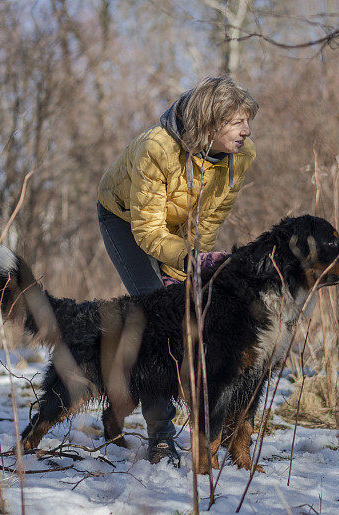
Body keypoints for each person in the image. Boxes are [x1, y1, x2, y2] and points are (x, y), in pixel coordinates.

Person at [96, 75, 258, 466]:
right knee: (154, 322)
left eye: (247, 122)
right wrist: (183, 260)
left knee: (184, 311)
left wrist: (190, 267)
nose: (246, 131)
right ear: (210, 122)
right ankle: (162, 436)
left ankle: (120, 407)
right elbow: (148, 231)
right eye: (237, 122)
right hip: (125, 218)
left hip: (180, 232)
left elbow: (208, 219)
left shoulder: (242, 155)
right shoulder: (157, 148)